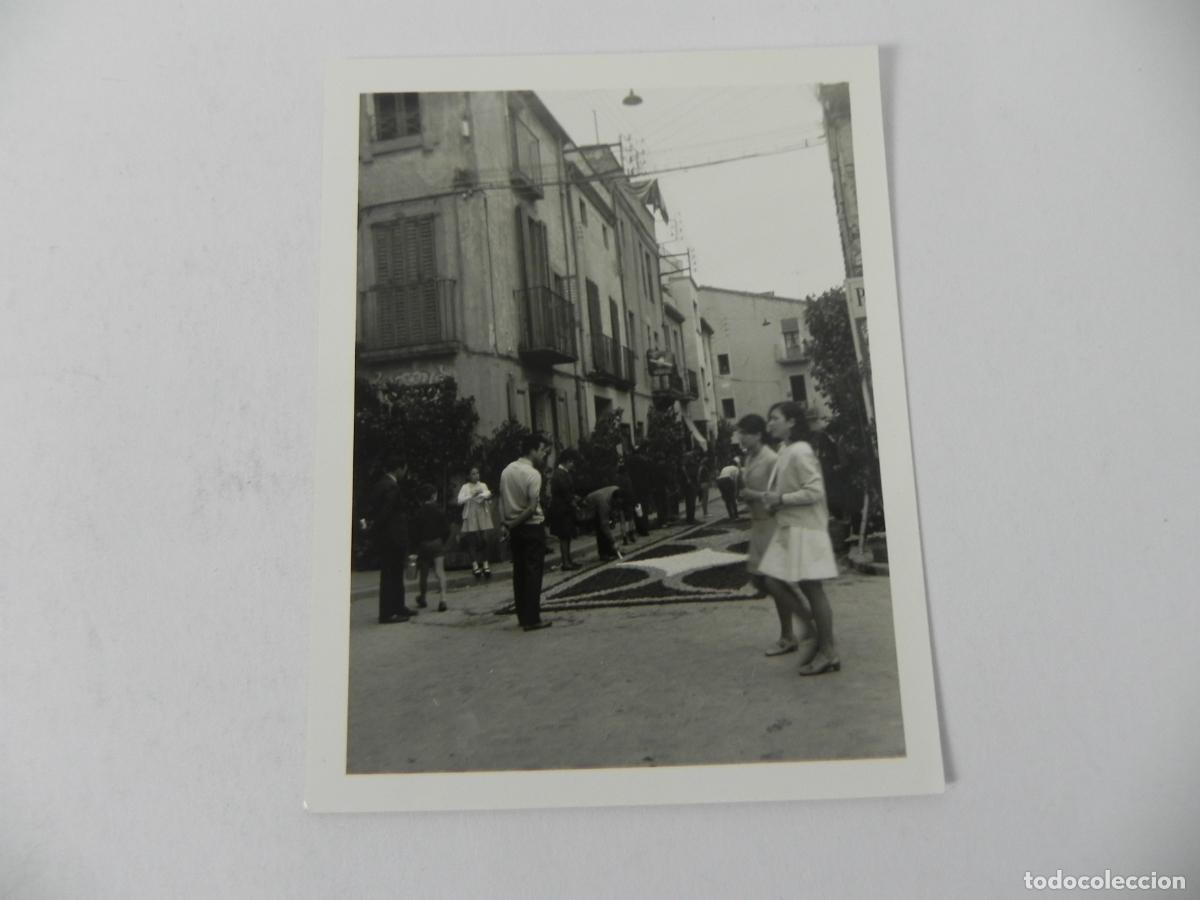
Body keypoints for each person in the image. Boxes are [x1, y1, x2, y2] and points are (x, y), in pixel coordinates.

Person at [759, 401, 841, 675]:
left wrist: (781, 499)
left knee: (812, 587)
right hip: (789, 526)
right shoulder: (785, 449)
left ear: (792, 421)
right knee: (772, 579)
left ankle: (828, 651)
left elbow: (814, 491)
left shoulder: (801, 451)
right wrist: (774, 501)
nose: (769, 424)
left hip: (805, 528)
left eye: (775, 418)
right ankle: (811, 630)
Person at [735, 414, 804, 657]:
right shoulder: (749, 457)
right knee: (761, 580)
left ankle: (789, 635)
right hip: (758, 526)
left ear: (757, 434)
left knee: (774, 582)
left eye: (744, 432)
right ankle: (800, 619)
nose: (740, 437)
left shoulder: (771, 458)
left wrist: (752, 495)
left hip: (772, 525)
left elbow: (779, 494)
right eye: (739, 432)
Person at [499, 433, 554, 632]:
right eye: (542, 451)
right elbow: (532, 508)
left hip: (514, 528)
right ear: (531, 450)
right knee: (533, 573)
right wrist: (513, 524)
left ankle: (523, 616)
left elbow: (501, 500)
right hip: (531, 527)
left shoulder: (507, 471)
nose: (543, 455)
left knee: (519, 572)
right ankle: (532, 618)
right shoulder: (533, 474)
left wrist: (506, 524)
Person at [363, 460, 418, 623]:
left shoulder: (380, 484)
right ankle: (388, 612)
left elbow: (374, 510)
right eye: (404, 469)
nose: (405, 473)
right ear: (399, 468)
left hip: (386, 536)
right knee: (391, 574)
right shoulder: (392, 487)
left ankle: (398, 607)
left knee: (393, 573)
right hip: (393, 536)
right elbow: (386, 512)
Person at [410, 483, 450, 612]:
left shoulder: (418, 513)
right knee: (440, 572)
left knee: (424, 573)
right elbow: (446, 529)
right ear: (434, 496)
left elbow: (414, 532)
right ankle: (443, 599)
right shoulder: (439, 510)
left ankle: (423, 597)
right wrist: (442, 541)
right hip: (437, 543)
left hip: (424, 544)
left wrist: (415, 548)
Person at [456, 466, 494, 579]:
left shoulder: (483, 485)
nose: (476, 475)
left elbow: (488, 496)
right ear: (468, 475)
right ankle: (475, 566)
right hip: (471, 514)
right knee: (472, 540)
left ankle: (486, 564)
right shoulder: (465, 487)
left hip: (482, 513)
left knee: (484, 540)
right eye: (473, 473)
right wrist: (471, 495)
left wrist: (484, 495)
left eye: (477, 473)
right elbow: (459, 501)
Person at [547, 448, 581, 570]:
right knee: (564, 537)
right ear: (567, 461)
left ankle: (568, 560)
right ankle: (566, 562)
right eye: (572, 462)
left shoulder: (563, 473)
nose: (573, 465)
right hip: (562, 511)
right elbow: (565, 492)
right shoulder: (559, 474)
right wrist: (574, 501)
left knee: (567, 536)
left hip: (564, 510)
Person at [581, 485, 627, 561]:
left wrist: (613, 520)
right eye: (617, 502)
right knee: (601, 529)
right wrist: (613, 541)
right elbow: (604, 525)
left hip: (601, 500)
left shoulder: (617, 490)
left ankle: (611, 551)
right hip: (591, 505)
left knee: (606, 529)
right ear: (614, 499)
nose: (618, 504)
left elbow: (616, 508)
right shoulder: (604, 504)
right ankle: (603, 554)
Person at [696, 452, 713, 520]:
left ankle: (705, 512)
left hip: (704, 483)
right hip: (704, 484)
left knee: (705, 499)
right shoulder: (703, 468)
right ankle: (705, 513)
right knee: (705, 499)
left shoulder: (702, 467)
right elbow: (700, 476)